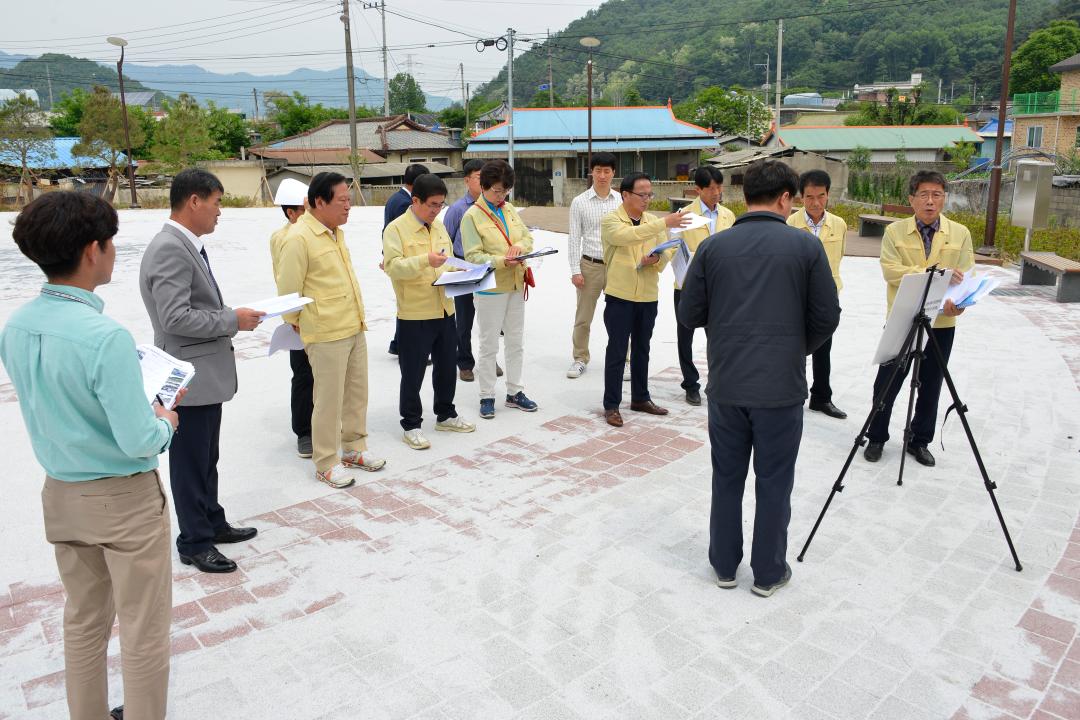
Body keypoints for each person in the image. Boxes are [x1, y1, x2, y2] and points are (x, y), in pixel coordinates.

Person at [1, 192, 180, 720]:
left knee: (83, 620)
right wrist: (165, 417)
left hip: (61, 492)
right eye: (110, 244)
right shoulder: (104, 337)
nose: (112, 253)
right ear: (90, 251)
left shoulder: (16, 326)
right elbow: (139, 440)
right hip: (123, 500)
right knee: (143, 627)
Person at [678, 159, 840, 598]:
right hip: (781, 388)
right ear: (786, 198)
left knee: (726, 477)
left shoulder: (713, 248)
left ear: (744, 196)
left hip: (728, 384)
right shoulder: (806, 248)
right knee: (774, 481)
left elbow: (689, 313)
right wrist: (794, 348)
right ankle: (768, 572)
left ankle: (724, 565)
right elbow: (827, 316)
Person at [140, 168, 262, 575]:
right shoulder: (170, 248)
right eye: (217, 202)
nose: (220, 212)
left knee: (206, 457)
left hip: (204, 376)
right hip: (187, 379)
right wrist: (232, 320)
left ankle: (211, 520)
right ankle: (194, 541)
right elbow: (175, 318)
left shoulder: (184, 245)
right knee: (191, 464)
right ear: (194, 201)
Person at [277, 171, 387, 487]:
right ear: (319, 201)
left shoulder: (335, 232)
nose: (348, 206)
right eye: (342, 200)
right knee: (327, 400)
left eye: (349, 200)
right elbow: (288, 291)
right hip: (325, 331)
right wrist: (298, 323)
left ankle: (354, 448)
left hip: (352, 325)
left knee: (356, 393)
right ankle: (326, 461)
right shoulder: (298, 238)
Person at [863, 169, 974, 467]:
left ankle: (919, 440)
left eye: (936, 194)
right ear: (911, 199)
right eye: (923, 194)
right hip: (903, 318)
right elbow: (890, 271)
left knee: (931, 382)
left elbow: (966, 278)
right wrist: (932, 276)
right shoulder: (895, 232)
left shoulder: (960, 234)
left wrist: (958, 305)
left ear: (944, 199)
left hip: (941, 323)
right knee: (887, 380)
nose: (930, 201)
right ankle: (876, 436)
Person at [383, 173, 477, 448]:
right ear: (415, 201)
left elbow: (446, 261)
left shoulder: (437, 228)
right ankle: (411, 424)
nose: (437, 211)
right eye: (432, 205)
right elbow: (393, 267)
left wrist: (460, 271)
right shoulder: (396, 230)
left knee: (447, 367)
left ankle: (445, 413)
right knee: (413, 373)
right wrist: (425, 260)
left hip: (445, 309)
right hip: (415, 313)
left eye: (441, 205)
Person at [599, 172, 691, 427]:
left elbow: (667, 249)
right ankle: (612, 404)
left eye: (650, 194)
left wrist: (657, 260)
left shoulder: (652, 221)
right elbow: (626, 237)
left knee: (643, 348)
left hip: (648, 294)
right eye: (642, 194)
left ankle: (640, 397)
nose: (647, 199)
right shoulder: (610, 221)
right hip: (620, 294)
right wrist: (664, 224)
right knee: (617, 350)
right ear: (625, 194)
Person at [461, 159, 538, 419]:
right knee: (488, 344)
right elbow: (472, 256)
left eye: (505, 190)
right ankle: (487, 395)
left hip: (516, 283)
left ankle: (515, 391)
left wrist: (520, 248)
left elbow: (527, 237)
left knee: (516, 341)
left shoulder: (510, 209)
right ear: (482, 186)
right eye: (496, 190)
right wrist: (500, 260)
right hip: (490, 288)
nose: (501, 195)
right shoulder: (472, 215)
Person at [787, 169, 849, 419]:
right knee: (795, 347)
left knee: (824, 346)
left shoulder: (839, 225)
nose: (815, 202)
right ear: (800, 197)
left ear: (828, 195)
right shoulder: (790, 224)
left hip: (826, 296)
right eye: (809, 197)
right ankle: (793, 394)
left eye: (820, 196)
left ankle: (822, 397)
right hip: (796, 296)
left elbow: (839, 257)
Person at [673, 166, 736, 405]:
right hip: (687, 286)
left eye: (719, 187)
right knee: (685, 337)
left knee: (718, 337)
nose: (717, 192)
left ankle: (717, 382)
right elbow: (672, 247)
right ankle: (690, 384)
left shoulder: (728, 216)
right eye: (711, 188)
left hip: (720, 288)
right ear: (697, 189)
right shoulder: (683, 215)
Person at [443, 158, 501, 383]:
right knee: (464, 320)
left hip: (488, 266)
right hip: (463, 267)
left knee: (490, 319)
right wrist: (451, 268)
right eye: (479, 177)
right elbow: (445, 240)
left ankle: (489, 359)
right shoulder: (457, 209)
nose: (484, 181)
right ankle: (465, 363)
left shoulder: (496, 207)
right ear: (467, 180)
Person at [566, 151, 623, 380]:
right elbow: (573, 238)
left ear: (613, 173)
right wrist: (575, 271)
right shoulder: (579, 202)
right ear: (591, 172)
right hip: (589, 265)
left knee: (621, 315)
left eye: (606, 171)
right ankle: (580, 358)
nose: (602, 175)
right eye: (598, 170)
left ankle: (624, 359)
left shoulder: (621, 200)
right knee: (584, 317)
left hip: (617, 265)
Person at [269, 178, 314, 457]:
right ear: (292, 213)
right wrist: (293, 318)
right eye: (306, 209)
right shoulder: (284, 238)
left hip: (323, 315)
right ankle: (304, 432)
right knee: (304, 375)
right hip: (299, 317)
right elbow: (286, 284)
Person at [385, 163, 430, 356]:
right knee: (407, 303)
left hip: (395, 256)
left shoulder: (394, 198)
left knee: (403, 302)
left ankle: (397, 343)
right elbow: (399, 232)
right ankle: (400, 344)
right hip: (407, 260)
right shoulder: (406, 204)